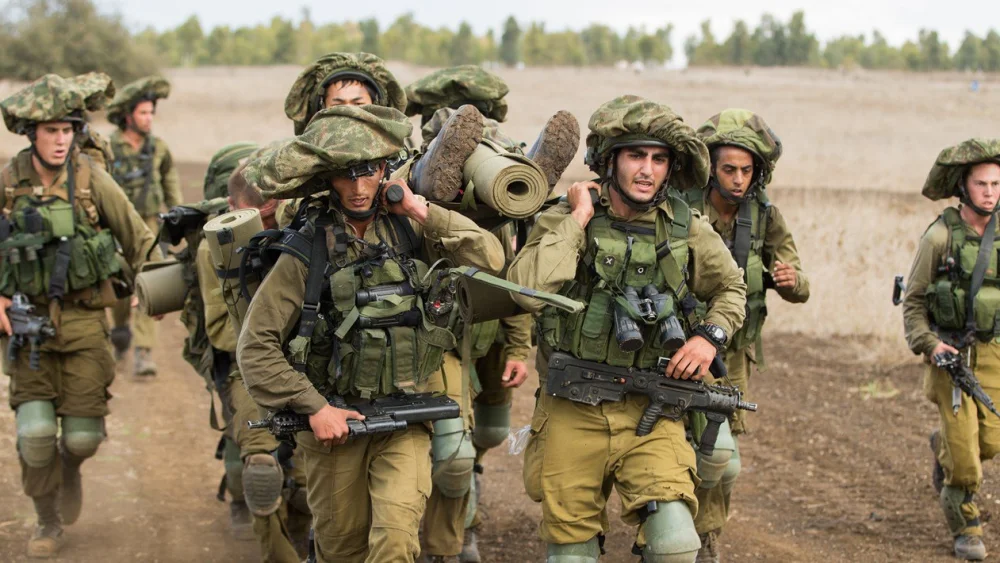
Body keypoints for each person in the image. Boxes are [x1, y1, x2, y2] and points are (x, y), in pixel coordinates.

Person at [236, 104, 505, 563]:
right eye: (346, 173)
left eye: (369, 170)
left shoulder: (411, 229)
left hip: (405, 416)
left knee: (396, 541)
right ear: (328, 177)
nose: (359, 187)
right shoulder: (307, 248)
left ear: (385, 169)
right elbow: (255, 347)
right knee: (342, 550)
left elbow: (491, 260)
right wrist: (315, 407)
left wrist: (422, 211)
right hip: (334, 426)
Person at [507, 95, 748, 563]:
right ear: (608, 161)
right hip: (572, 408)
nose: (647, 170)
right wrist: (579, 218)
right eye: (636, 156)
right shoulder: (564, 218)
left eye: (659, 159)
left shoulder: (685, 228)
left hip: (651, 410)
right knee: (571, 556)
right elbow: (527, 292)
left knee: (675, 546)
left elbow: (731, 287)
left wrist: (709, 337)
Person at [0, 72, 160, 558]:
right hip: (27, 326)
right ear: (31, 133)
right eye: (51, 130)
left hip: (86, 321)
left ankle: (69, 468)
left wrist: (153, 289)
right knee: (35, 436)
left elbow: (139, 239)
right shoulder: (8, 183)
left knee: (83, 438)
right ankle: (46, 520)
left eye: (67, 130)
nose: (60, 139)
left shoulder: (92, 180)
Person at [681, 109, 810, 562]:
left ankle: (704, 535)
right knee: (686, 446)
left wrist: (791, 281)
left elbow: (800, 286)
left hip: (733, 356)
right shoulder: (682, 210)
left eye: (746, 170)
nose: (738, 180)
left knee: (722, 459)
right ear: (711, 169)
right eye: (729, 169)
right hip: (682, 350)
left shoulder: (765, 216)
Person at [902, 138, 1000, 561]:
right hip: (950, 356)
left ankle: (941, 443)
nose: (990, 193)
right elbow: (913, 303)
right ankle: (967, 527)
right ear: (963, 187)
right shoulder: (940, 236)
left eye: (996, 184)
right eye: (981, 184)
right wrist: (930, 344)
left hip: (994, 354)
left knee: (990, 442)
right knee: (964, 463)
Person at [106, 76, 182, 376]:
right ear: (128, 116)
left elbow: (170, 182)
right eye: (143, 113)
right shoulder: (108, 147)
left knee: (150, 282)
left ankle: (144, 352)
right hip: (114, 227)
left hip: (149, 225)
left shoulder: (158, 148)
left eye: (151, 112)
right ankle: (120, 333)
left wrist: (178, 216)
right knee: (119, 285)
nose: (149, 118)